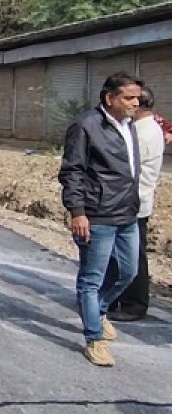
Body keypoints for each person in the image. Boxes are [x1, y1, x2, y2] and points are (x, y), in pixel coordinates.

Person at [58, 71, 143, 367]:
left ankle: (100, 310)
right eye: (129, 97)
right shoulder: (86, 126)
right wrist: (78, 212)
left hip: (127, 214)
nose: (136, 102)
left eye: (137, 97)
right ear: (110, 98)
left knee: (128, 272)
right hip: (97, 215)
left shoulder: (128, 125)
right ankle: (94, 338)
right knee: (91, 280)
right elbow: (72, 172)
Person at [108, 87, 165, 322]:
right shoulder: (141, 128)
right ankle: (115, 298)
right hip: (130, 201)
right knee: (121, 254)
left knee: (133, 256)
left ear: (139, 105)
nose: (129, 105)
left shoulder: (144, 132)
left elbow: (124, 166)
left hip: (132, 203)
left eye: (132, 100)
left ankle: (135, 305)